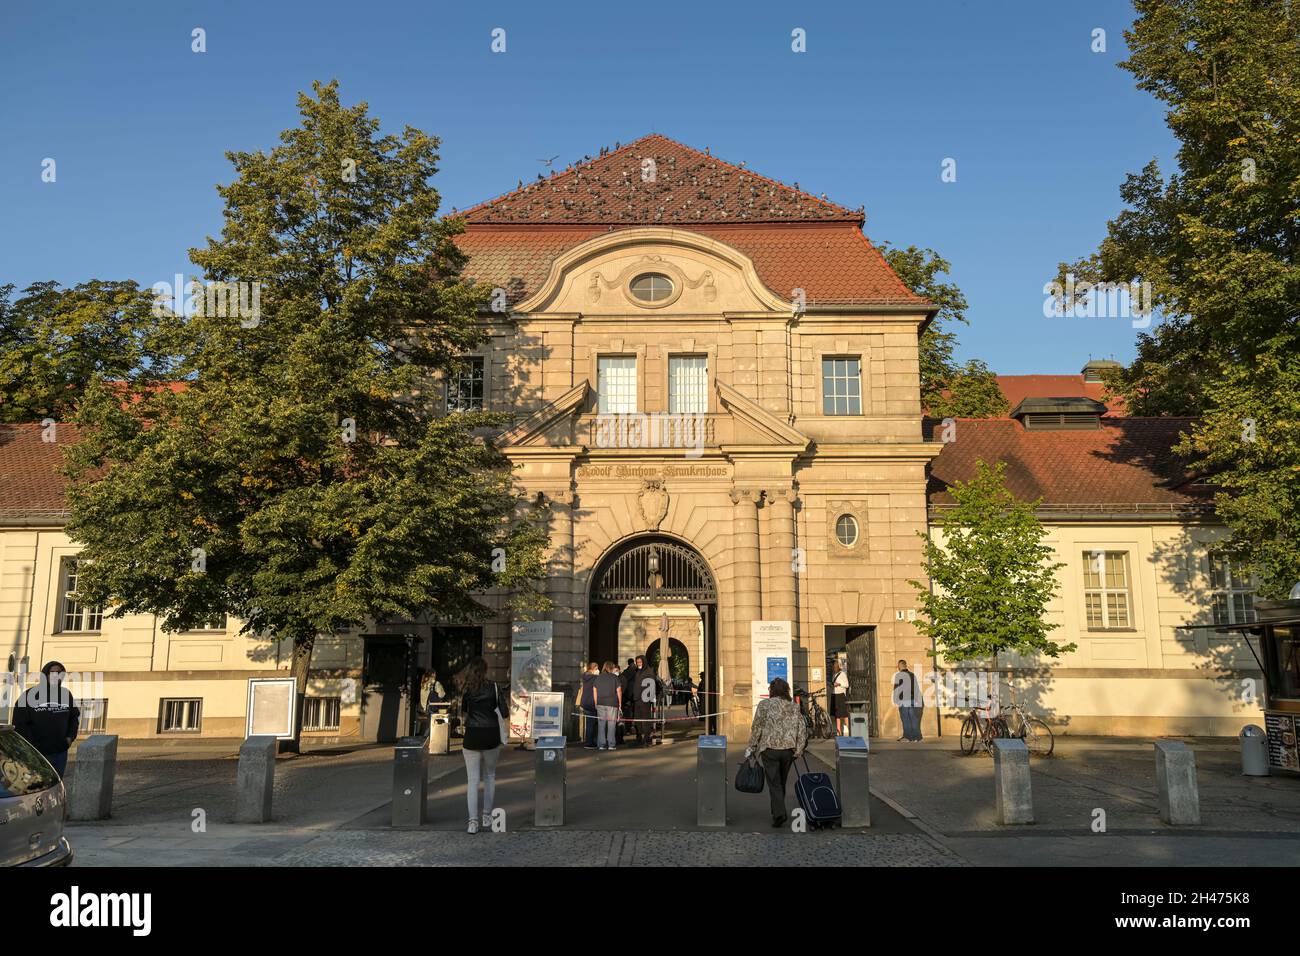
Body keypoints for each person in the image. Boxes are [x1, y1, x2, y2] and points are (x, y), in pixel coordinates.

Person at [456, 656, 510, 834]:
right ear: (486, 670)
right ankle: (487, 816)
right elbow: (504, 712)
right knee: (490, 776)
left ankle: (472, 823)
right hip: (490, 735)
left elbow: (463, 715)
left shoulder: (467, 690)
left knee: (472, 781)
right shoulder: (494, 687)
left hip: (472, 736)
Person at [746, 677, 808, 827]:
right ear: (786, 690)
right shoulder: (794, 706)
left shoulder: (764, 705)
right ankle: (777, 813)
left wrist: (752, 748)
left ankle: (779, 814)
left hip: (769, 749)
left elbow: (756, 728)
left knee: (774, 783)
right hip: (788, 750)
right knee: (781, 781)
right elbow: (802, 729)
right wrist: (799, 749)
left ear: (771, 691)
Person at [13, 661, 80, 777]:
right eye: (52, 672)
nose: (56, 675)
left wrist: (70, 738)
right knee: (37, 785)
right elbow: (19, 724)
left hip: (60, 752)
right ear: (45, 674)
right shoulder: (29, 695)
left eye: (59, 673)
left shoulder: (65, 694)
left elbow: (74, 717)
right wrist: (32, 747)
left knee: (56, 785)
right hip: (37, 754)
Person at [893, 659, 924, 742]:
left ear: (900, 666)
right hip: (913, 700)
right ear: (906, 665)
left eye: (898, 666)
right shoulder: (912, 675)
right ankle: (917, 737)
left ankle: (907, 737)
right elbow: (916, 688)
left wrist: (896, 699)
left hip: (903, 700)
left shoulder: (899, 675)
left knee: (905, 719)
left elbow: (896, 689)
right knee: (914, 719)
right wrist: (917, 700)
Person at [595, 661, 622, 751]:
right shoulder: (615, 677)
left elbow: (594, 690)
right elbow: (619, 691)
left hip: (600, 702)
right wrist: (620, 703)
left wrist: (596, 702)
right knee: (611, 724)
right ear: (611, 668)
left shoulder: (598, 677)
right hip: (612, 703)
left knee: (601, 724)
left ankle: (601, 744)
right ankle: (611, 744)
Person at [631, 655, 657, 746]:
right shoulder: (637, 671)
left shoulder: (649, 671)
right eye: (637, 662)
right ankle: (638, 737)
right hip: (637, 699)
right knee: (637, 719)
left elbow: (652, 685)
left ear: (644, 662)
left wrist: (650, 697)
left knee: (646, 720)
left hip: (645, 699)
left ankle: (646, 738)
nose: (638, 664)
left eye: (640, 662)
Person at [579, 661, 600, 750]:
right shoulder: (594, 678)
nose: (598, 670)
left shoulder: (585, 676)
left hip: (585, 702)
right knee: (592, 723)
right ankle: (590, 742)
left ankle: (589, 741)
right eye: (597, 668)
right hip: (592, 702)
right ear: (593, 668)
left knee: (589, 723)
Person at [418, 668, 446, 735]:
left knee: (427, 726)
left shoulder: (423, 684)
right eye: (435, 673)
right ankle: (424, 740)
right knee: (431, 726)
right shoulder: (436, 683)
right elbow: (442, 694)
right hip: (432, 708)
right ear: (433, 674)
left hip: (423, 708)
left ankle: (424, 740)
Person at [830, 659, 850, 736]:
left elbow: (847, 685)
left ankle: (847, 729)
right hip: (834, 694)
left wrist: (839, 684)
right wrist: (832, 685)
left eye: (835, 666)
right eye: (833, 667)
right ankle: (838, 731)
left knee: (844, 713)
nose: (834, 668)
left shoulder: (842, 674)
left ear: (838, 667)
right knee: (837, 714)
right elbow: (833, 683)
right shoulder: (834, 675)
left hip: (841, 695)